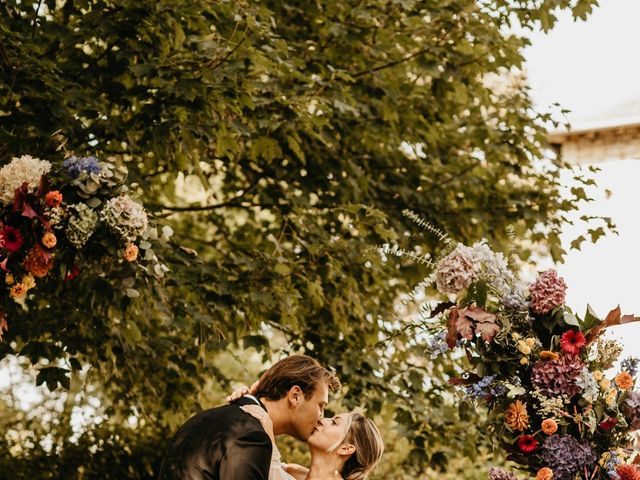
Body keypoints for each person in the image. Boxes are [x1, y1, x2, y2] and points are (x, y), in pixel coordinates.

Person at [157, 355, 341, 480]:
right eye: (321, 406)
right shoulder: (252, 436)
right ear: (295, 396)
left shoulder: (204, 419)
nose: (321, 418)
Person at [236, 393, 384, 479]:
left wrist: (268, 437)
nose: (322, 420)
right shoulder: (293, 472)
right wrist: (252, 397)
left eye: (334, 422)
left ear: (346, 448)